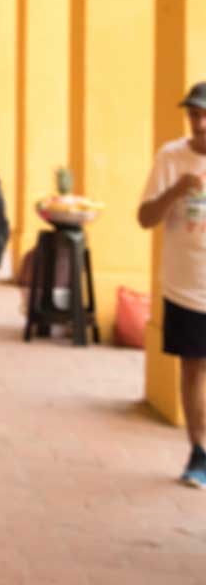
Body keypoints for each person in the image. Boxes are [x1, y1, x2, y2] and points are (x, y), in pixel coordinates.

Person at [136, 81, 206, 489]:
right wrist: (176, 190)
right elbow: (145, 218)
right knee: (193, 367)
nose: (198, 123)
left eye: (204, 115)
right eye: (193, 115)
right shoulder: (171, 157)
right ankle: (199, 450)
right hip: (186, 284)